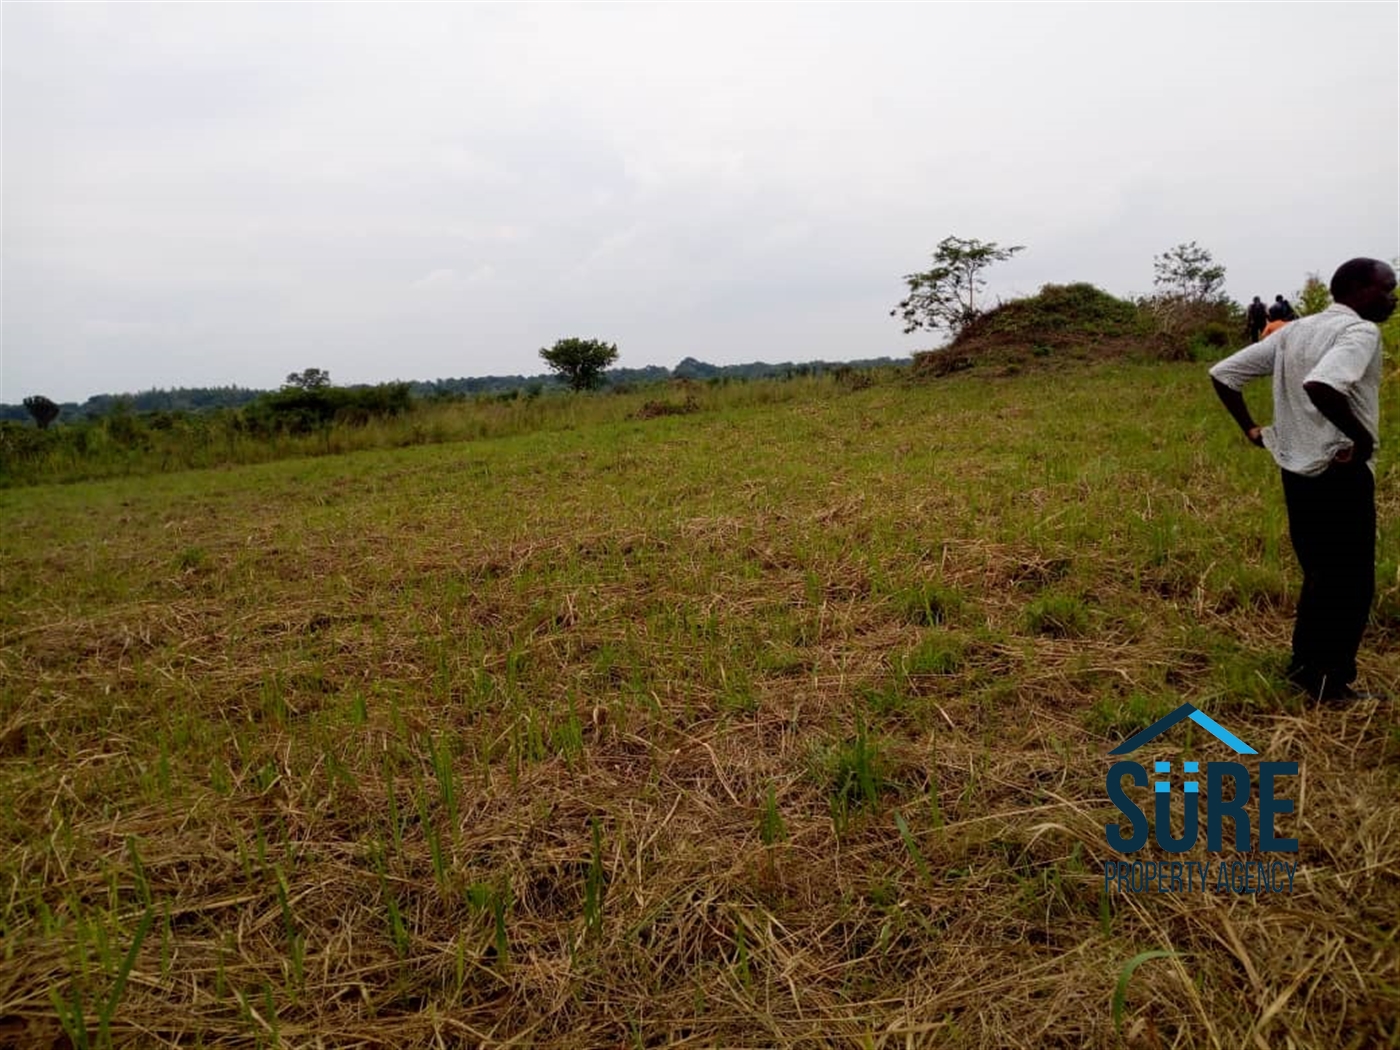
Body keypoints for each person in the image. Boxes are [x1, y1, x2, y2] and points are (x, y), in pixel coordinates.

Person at [1209, 257, 1398, 702]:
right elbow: (1321, 385)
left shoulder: (1295, 329)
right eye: (1386, 289)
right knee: (1351, 581)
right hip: (1340, 472)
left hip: (1296, 471)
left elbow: (1224, 373)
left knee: (1319, 573)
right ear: (1356, 288)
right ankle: (1331, 682)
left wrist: (1252, 429)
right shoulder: (1360, 332)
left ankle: (1305, 667)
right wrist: (1362, 439)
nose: (1392, 298)